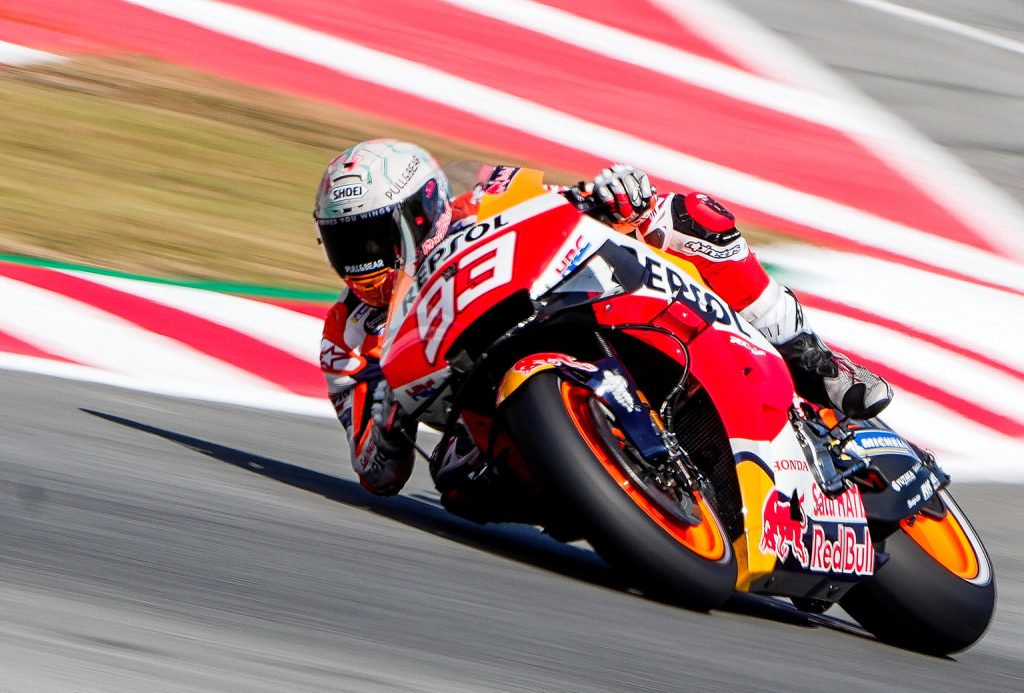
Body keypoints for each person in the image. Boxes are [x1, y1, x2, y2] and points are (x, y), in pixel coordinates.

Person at [314, 139, 892, 498]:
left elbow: (570, 206)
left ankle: (810, 357)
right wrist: (389, 409)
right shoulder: (348, 334)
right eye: (345, 245)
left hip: (577, 310)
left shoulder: (491, 198)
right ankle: (607, 493)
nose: (362, 260)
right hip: (489, 415)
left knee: (688, 216)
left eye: (374, 236)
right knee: (459, 483)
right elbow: (376, 472)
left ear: (422, 211)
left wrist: (615, 198)